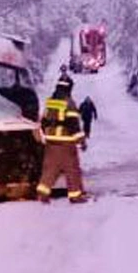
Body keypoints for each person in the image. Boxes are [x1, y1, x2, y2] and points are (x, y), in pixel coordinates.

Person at [36, 75, 87, 203]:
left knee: (50, 170)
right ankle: (75, 195)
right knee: (72, 169)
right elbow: (73, 124)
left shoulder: (50, 102)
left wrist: (46, 135)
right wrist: (81, 141)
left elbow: (43, 122)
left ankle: (42, 194)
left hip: (51, 143)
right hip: (66, 143)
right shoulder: (69, 103)